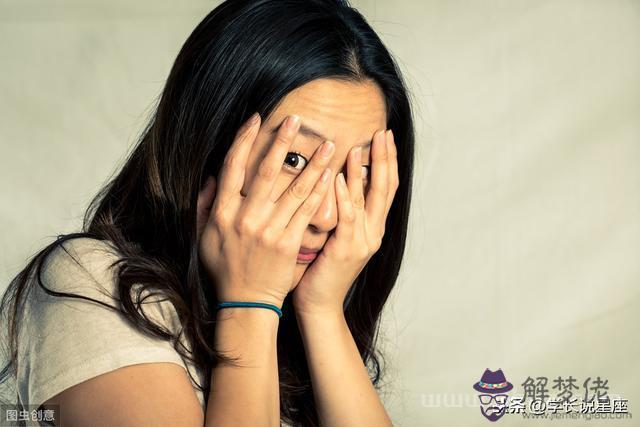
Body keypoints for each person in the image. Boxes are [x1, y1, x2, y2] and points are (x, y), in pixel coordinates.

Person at [0, 0, 414, 425]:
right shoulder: (92, 283)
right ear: (210, 141)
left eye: (359, 171)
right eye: (294, 160)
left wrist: (322, 311)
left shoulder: (303, 326)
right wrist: (251, 302)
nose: (326, 216)